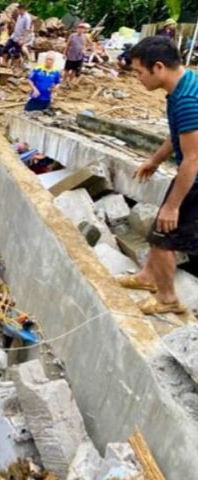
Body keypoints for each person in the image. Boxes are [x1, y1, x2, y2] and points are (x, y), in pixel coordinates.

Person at [116, 36, 198, 315]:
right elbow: (177, 134)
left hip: (196, 179)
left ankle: (167, 299)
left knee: (163, 237)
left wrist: (173, 206)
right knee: (159, 229)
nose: (138, 78)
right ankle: (147, 277)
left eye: (139, 71)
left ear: (158, 67)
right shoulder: (184, 86)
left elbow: (192, 158)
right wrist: (154, 160)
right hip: (191, 173)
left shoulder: (187, 100)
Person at [4, 3, 31, 72]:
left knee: (16, 53)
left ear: (22, 10)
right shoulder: (19, 16)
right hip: (14, 36)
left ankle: (15, 67)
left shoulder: (27, 18)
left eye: (19, 10)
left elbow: (27, 30)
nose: (18, 11)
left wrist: (23, 39)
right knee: (6, 48)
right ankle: (4, 63)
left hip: (20, 38)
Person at [63, 22, 88, 88]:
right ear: (77, 29)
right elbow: (67, 45)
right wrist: (65, 53)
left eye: (82, 29)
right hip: (71, 55)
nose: (81, 30)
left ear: (84, 30)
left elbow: (85, 45)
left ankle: (70, 82)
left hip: (79, 56)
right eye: (79, 28)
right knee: (67, 69)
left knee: (74, 70)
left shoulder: (85, 37)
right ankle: (64, 81)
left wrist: (84, 50)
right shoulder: (72, 35)